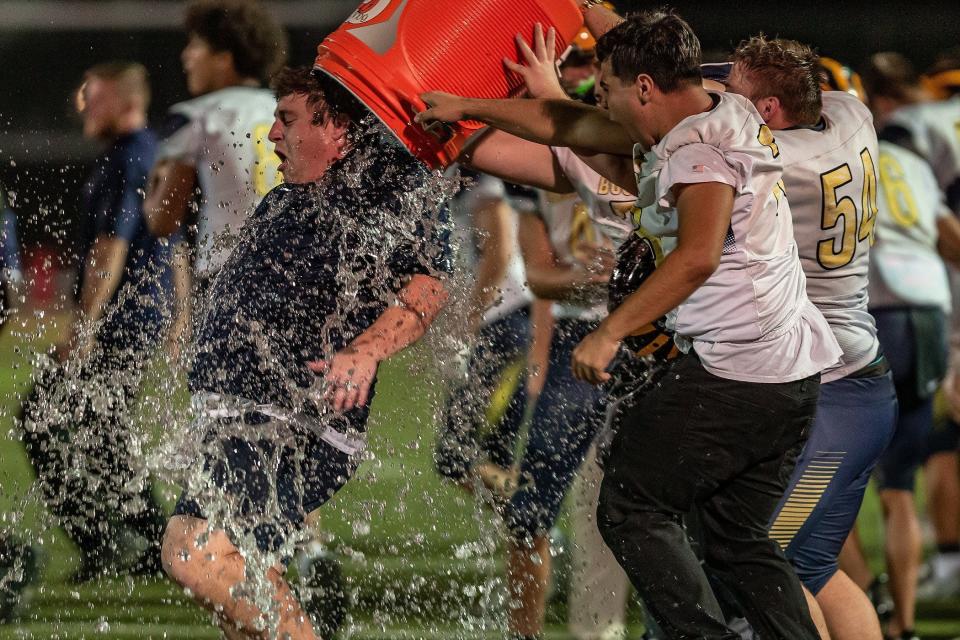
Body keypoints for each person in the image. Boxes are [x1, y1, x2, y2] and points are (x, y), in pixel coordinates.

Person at [418, 10, 841, 638]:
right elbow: (573, 121)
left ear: (644, 87)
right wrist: (467, 104)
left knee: (628, 508)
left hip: (735, 369)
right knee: (735, 542)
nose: (602, 103)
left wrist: (609, 330)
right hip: (789, 372)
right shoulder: (719, 106)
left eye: (610, 88)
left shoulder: (697, 150)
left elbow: (697, 255)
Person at [160, 67, 451, 640]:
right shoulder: (292, 197)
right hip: (248, 416)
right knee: (241, 580)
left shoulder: (379, 191)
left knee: (193, 552)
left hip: (291, 422)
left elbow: (428, 288)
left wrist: (365, 351)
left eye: (287, 120)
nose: (272, 135)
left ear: (336, 126)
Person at [720, 41, 897, 640]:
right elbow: (718, 89)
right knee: (813, 567)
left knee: (763, 562)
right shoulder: (852, 114)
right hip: (857, 383)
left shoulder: (772, 158)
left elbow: (695, 106)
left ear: (768, 108)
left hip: (833, 395)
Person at [16, 62, 172, 582]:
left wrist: (82, 328)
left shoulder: (130, 159)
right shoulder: (148, 152)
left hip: (121, 319)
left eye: (95, 97)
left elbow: (111, 247)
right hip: (142, 315)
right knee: (106, 428)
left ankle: (107, 539)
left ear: (125, 101)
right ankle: (152, 541)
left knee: (40, 415)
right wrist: (179, 318)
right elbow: (176, 247)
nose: (84, 105)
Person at [837, 51, 960, 640]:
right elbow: (951, 240)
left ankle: (868, 604)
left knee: (825, 482)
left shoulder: (828, 152)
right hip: (930, 314)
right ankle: (904, 624)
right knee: (900, 486)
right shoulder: (909, 158)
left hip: (872, 317)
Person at [144, 0, 287, 353]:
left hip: (229, 277)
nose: (186, 56)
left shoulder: (198, 116)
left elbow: (163, 220)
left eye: (196, 46)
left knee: (219, 402)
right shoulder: (285, 108)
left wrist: (150, 190)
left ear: (224, 59)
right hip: (292, 274)